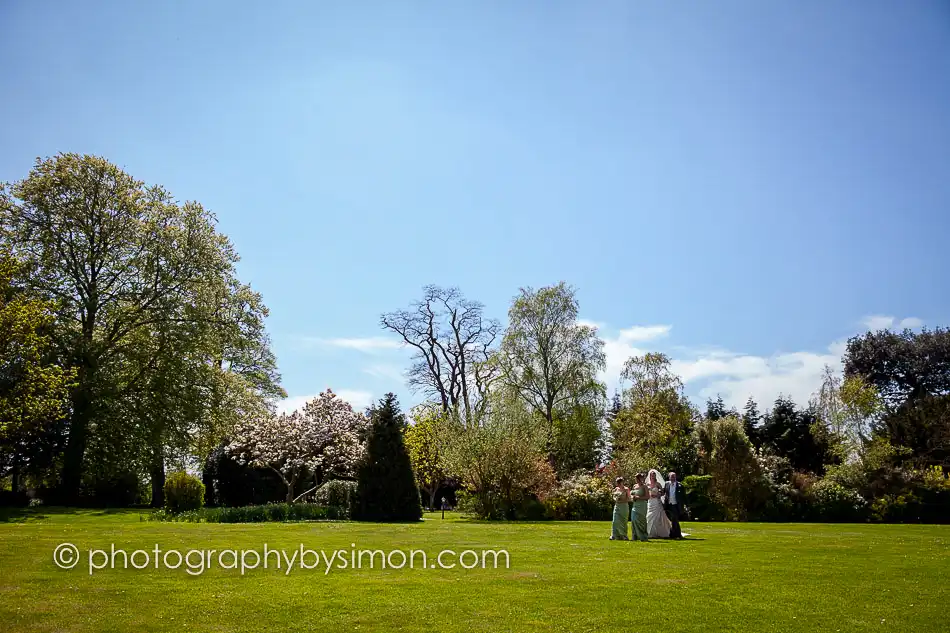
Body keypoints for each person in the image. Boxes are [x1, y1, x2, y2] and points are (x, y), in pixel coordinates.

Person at [646, 469, 671, 539]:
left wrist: (658, 495)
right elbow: (645, 492)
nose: (653, 477)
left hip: (657, 502)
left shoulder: (658, 484)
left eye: (654, 475)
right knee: (649, 516)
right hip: (650, 502)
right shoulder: (647, 484)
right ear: (650, 476)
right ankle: (650, 532)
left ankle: (660, 532)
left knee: (657, 517)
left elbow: (663, 493)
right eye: (652, 475)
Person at [663, 471, 687, 539]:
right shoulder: (667, 484)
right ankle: (678, 534)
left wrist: (686, 505)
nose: (673, 478)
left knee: (674, 519)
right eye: (672, 477)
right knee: (674, 519)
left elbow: (684, 496)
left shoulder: (680, 485)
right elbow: (664, 492)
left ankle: (673, 534)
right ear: (669, 477)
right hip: (668, 504)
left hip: (676, 505)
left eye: (674, 477)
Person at [629, 472, 649, 541]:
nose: (637, 479)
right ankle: (634, 536)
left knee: (641, 521)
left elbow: (647, 497)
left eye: (638, 478)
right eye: (636, 478)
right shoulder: (634, 486)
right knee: (633, 519)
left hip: (642, 505)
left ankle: (643, 536)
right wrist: (632, 497)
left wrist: (638, 497)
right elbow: (632, 495)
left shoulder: (644, 486)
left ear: (641, 478)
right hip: (635, 505)